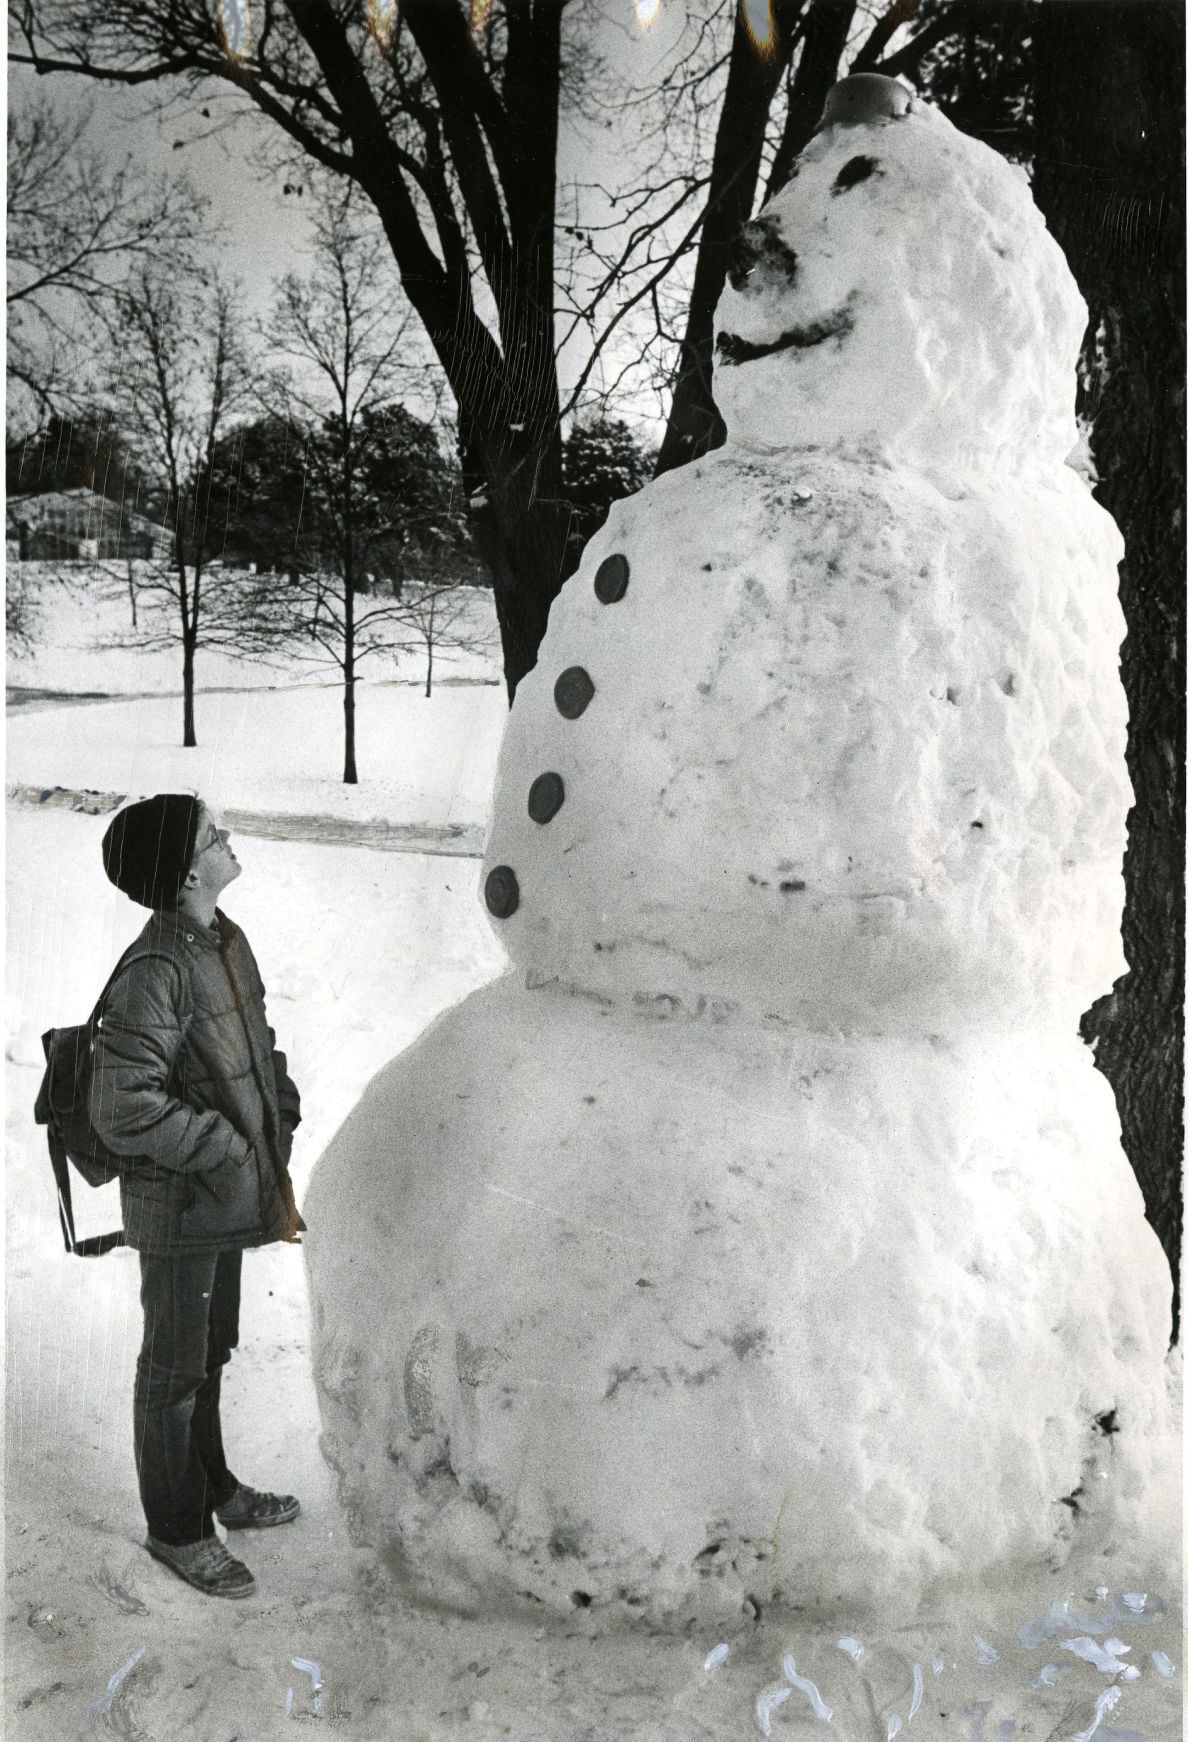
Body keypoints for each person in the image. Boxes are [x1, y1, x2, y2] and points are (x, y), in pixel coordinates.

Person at [91, 792, 304, 1599]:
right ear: (185, 873)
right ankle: (176, 1529)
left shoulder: (221, 938)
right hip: (181, 1207)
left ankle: (215, 1489)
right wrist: (221, 1145)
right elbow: (121, 1105)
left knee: (208, 1355)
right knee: (174, 1370)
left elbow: (252, 1039)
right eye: (216, 835)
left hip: (223, 1195)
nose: (229, 839)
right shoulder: (157, 969)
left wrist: (277, 1102)